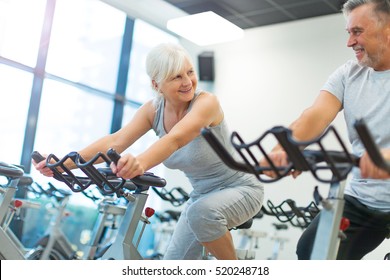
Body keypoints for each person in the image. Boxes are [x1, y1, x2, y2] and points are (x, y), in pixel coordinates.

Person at [33, 42, 264, 260]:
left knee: (200, 214)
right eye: (176, 77)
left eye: (189, 72)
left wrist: (140, 162)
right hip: (201, 196)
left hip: (241, 188)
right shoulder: (152, 111)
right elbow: (115, 141)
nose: (187, 82)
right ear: (156, 84)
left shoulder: (206, 103)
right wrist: (63, 163)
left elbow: (176, 139)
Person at [263, 0, 390, 260]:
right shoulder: (348, 74)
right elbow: (314, 116)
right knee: (313, 251)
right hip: (362, 198)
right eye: (349, 33)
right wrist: (284, 150)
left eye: (357, 32)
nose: (349, 42)